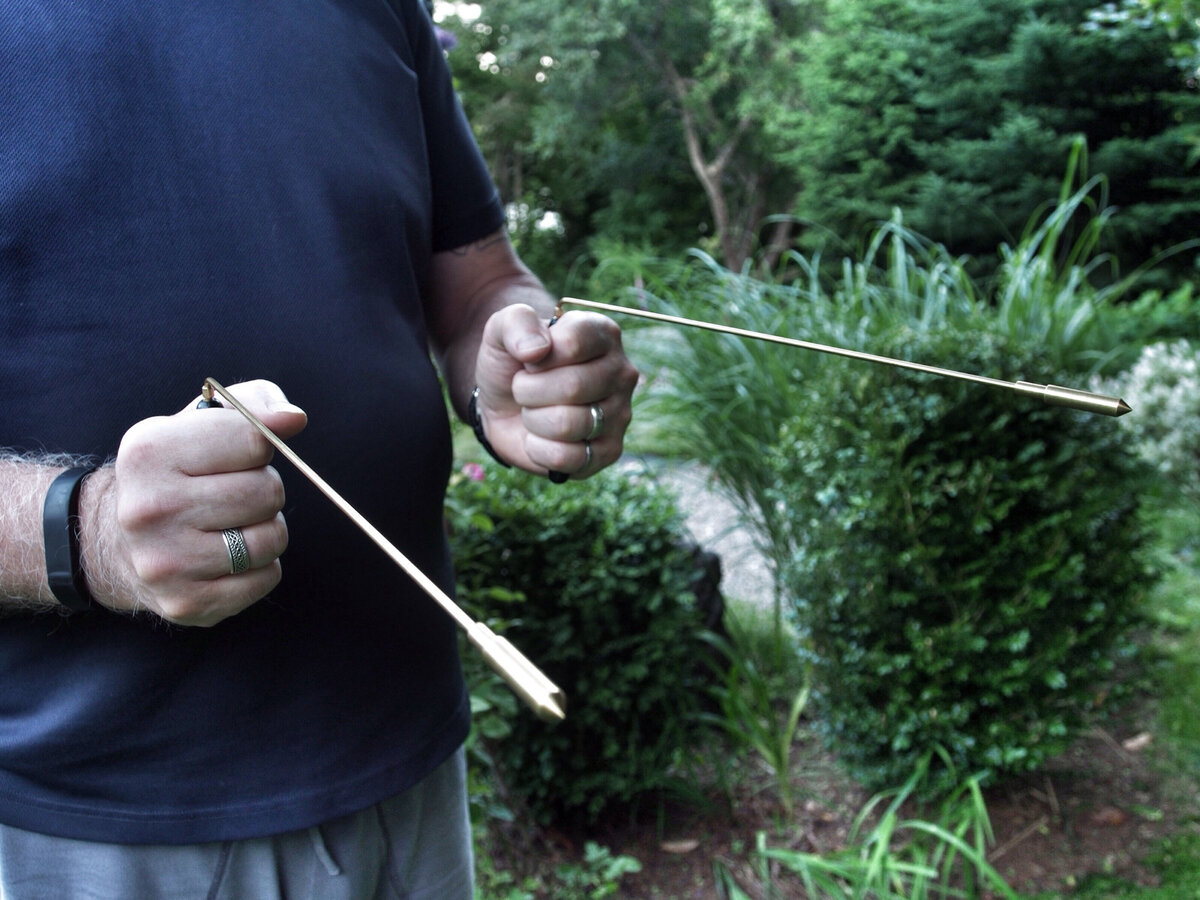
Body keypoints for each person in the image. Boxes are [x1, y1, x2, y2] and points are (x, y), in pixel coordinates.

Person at [0, 1, 637, 897]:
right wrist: (87, 530)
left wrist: (523, 366)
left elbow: (481, 282)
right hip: (102, 819)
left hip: (409, 764)